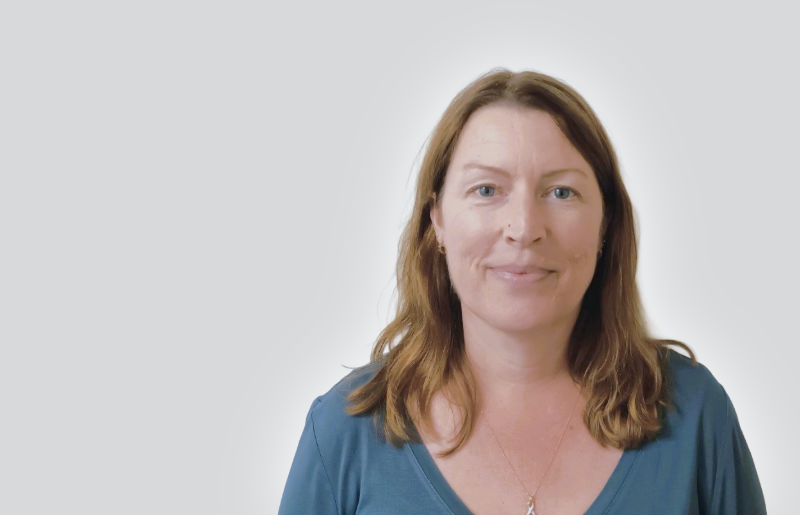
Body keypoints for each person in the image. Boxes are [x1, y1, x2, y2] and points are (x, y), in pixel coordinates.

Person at [278, 69, 767, 514]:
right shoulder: (343, 433)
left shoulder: (696, 416)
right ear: (438, 221)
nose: (524, 227)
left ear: (605, 225)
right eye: (487, 190)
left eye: (561, 192)